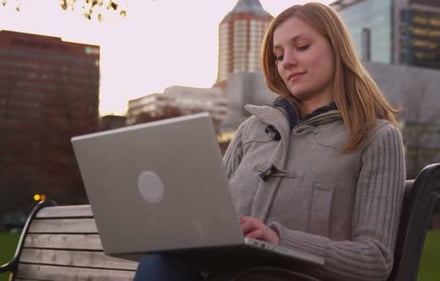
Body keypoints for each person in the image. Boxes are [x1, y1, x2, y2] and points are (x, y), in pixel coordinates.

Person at [134, 2, 405, 281]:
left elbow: (375, 261)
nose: (286, 61)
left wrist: (279, 240)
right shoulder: (251, 130)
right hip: (223, 274)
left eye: (301, 47)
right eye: (278, 55)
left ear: (337, 49)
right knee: (159, 263)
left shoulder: (376, 137)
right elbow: (214, 221)